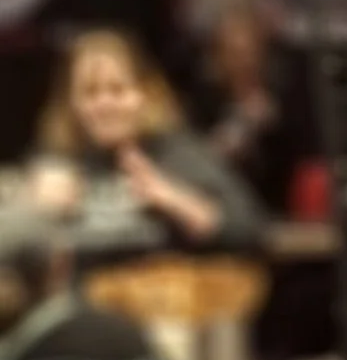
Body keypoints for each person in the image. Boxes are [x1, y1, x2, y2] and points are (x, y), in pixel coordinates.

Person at [21, 27, 266, 263]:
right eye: (90, 92)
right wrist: (32, 211)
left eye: (117, 90)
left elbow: (250, 229)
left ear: (144, 95)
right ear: (71, 103)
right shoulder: (59, 158)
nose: (104, 104)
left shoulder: (177, 152)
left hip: (160, 293)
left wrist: (172, 199)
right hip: (82, 296)